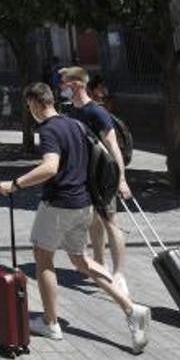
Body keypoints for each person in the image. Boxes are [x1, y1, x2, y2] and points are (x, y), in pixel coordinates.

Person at [0, 82, 150, 354]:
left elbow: (50, 167)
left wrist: (15, 184)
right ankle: (130, 307)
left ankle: (50, 322)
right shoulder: (74, 124)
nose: (29, 111)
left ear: (35, 103)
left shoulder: (49, 130)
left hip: (59, 204)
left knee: (43, 258)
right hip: (84, 204)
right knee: (81, 261)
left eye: (29, 106)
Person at [60, 66, 131, 296]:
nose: (61, 87)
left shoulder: (97, 113)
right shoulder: (71, 112)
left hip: (103, 176)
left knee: (111, 223)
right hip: (84, 176)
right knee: (93, 223)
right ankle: (100, 264)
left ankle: (119, 273)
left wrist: (121, 180)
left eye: (65, 83)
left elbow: (114, 148)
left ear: (77, 85)